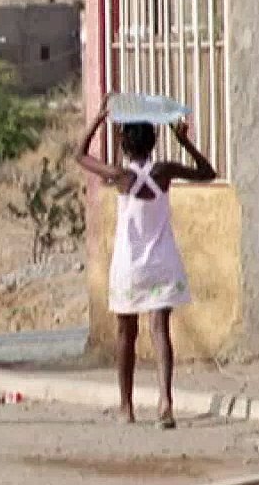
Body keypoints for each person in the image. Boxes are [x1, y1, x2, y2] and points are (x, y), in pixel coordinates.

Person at [76, 97, 216, 428]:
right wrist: (185, 142)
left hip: (129, 266)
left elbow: (79, 155)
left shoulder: (120, 176)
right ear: (154, 142)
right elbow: (208, 173)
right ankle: (165, 402)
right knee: (160, 330)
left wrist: (98, 118)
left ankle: (126, 407)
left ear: (124, 144)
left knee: (126, 334)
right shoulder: (164, 171)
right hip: (163, 262)